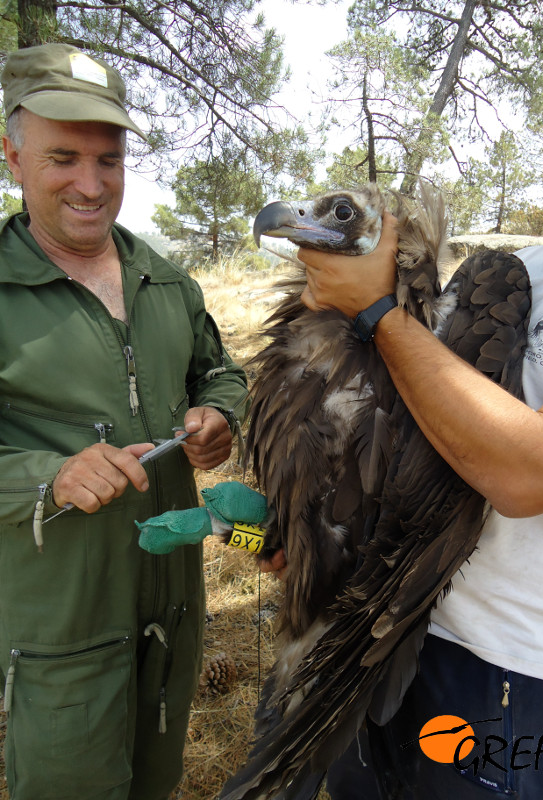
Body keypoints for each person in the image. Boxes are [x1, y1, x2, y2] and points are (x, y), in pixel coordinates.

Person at [291, 36, 543, 800]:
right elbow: (412, 426)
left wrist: (375, 311)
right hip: (382, 630)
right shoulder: (527, 265)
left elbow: (530, 472)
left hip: (499, 681)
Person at [0, 43, 248, 800]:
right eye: (63, 157)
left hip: (172, 612)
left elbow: (222, 372)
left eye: (108, 160)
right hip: (62, 632)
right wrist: (52, 475)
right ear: (12, 156)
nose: (91, 183)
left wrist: (217, 416)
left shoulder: (168, 280)